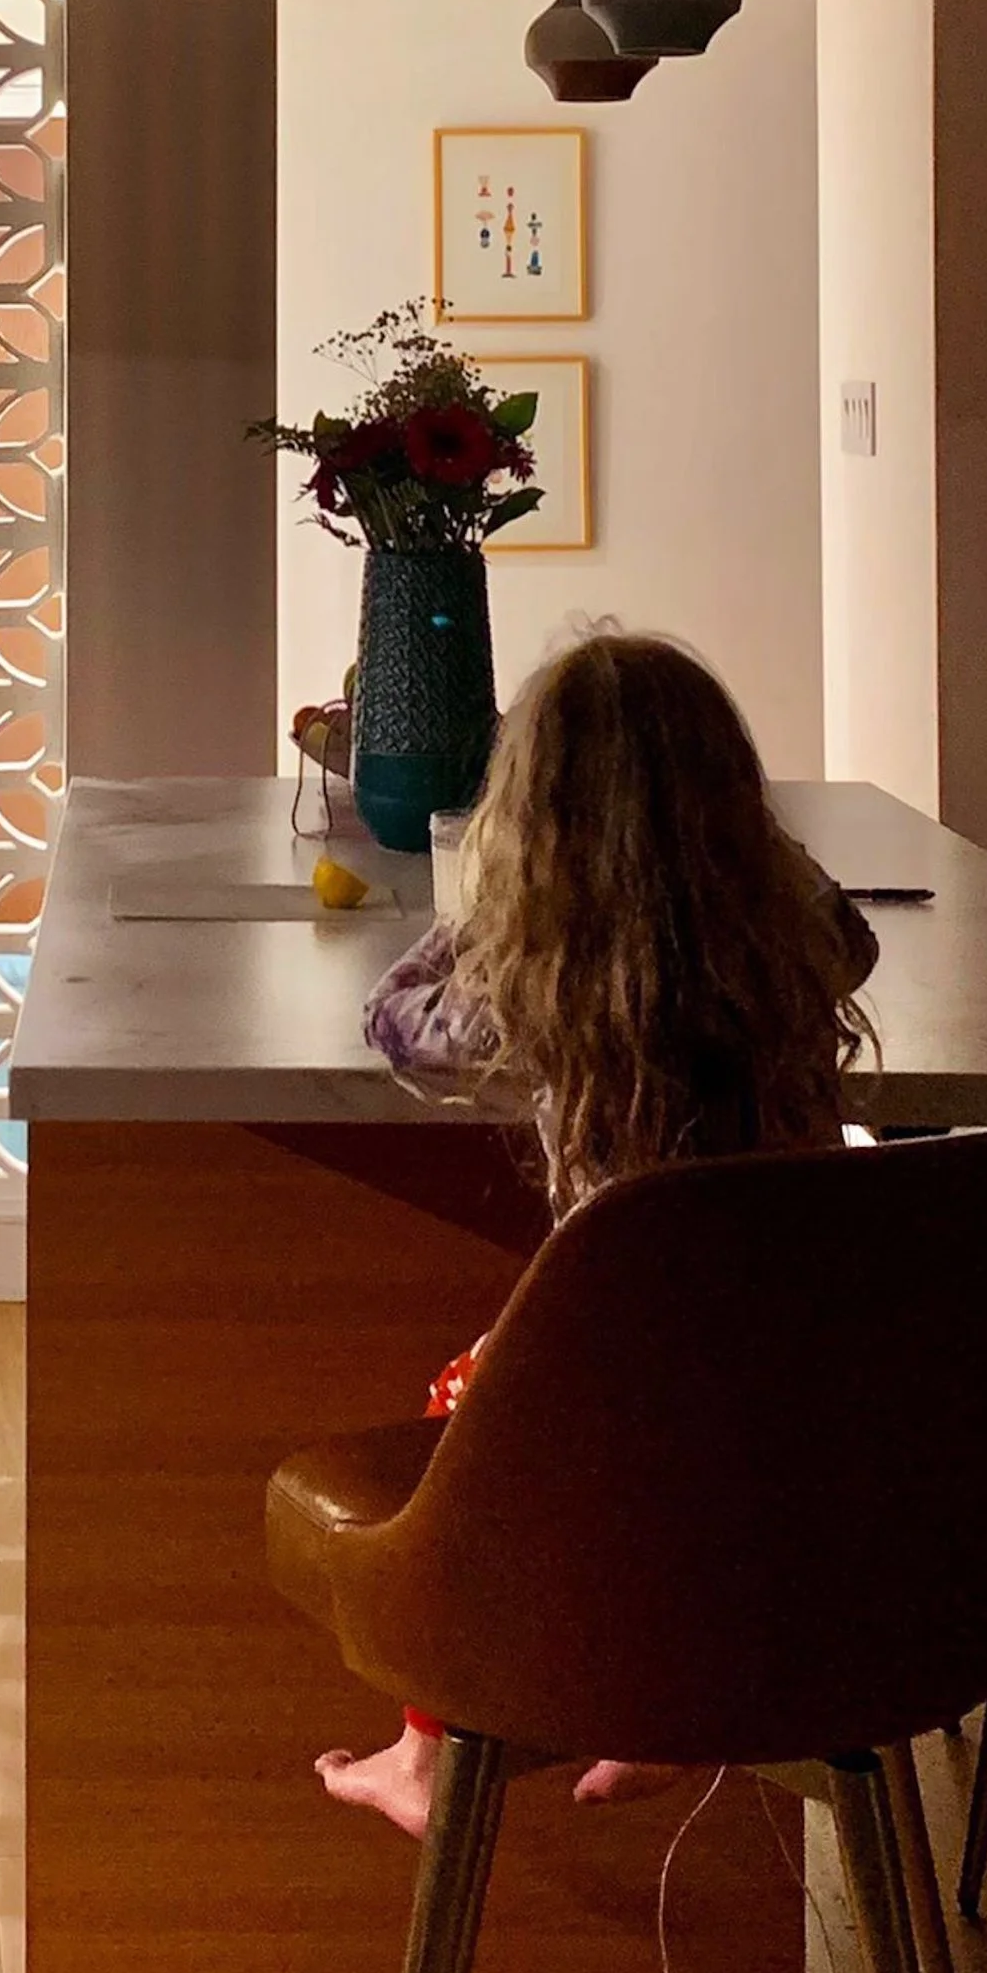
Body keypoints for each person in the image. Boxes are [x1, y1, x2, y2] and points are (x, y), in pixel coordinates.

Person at [319, 626, 879, 1837]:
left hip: (614, 1384)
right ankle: (666, 1712)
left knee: (465, 1426)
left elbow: (394, 1016)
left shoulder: (544, 987)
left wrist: (485, 906)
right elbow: (856, 934)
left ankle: (424, 1752)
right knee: (693, 1449)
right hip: (814, 1372)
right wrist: (747, 853)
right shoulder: (790, 955)